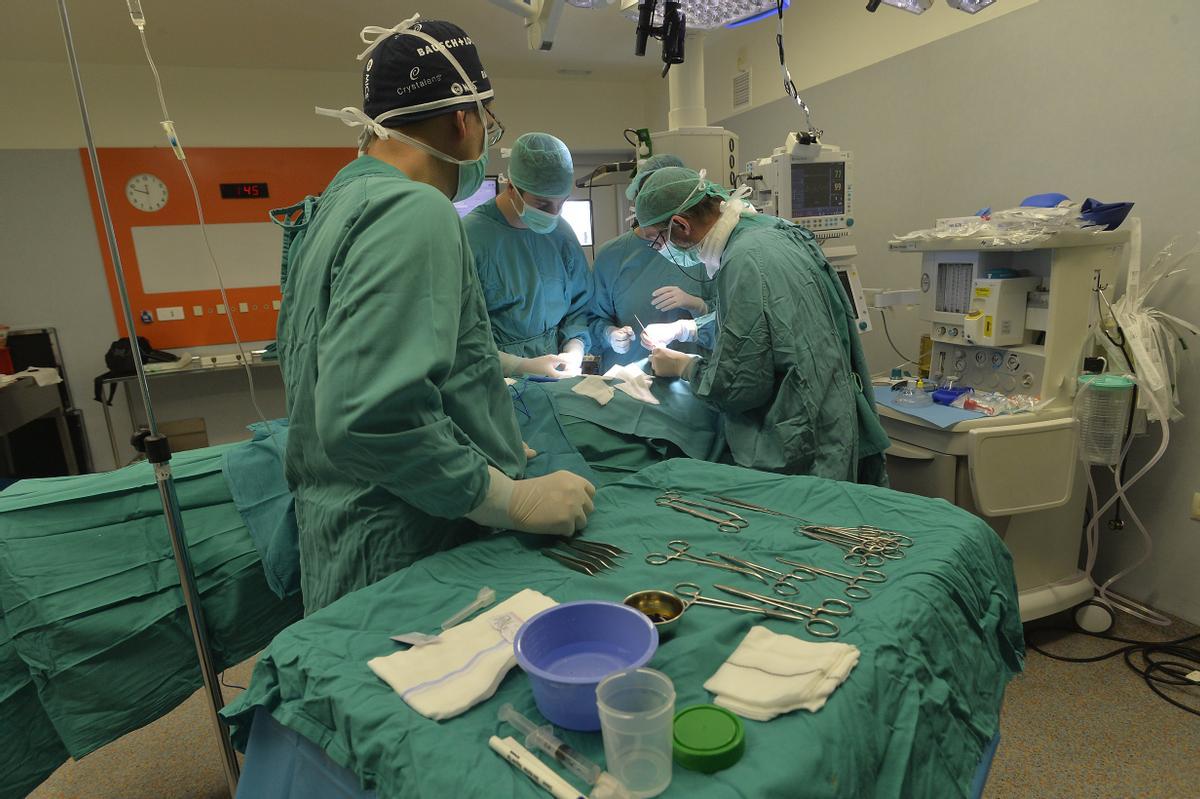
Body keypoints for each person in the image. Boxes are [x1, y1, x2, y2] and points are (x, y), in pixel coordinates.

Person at [275, 17, 595, 612]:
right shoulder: (413, 211)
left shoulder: (340, 201)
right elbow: (369, 415)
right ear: (463, 118)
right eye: (488, 119)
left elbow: (356, 370)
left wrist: (480, 434)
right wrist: (504, 497)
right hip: (407, 543)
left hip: (358, 529)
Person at [633, 166, 890, 485]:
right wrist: (688, 329)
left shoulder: (743, 260)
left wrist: (683, 366)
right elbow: (771, 320)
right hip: (833, 413)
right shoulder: (772, 231)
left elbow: (739, 384)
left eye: (655, 241)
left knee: (809, 524)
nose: (659, 250)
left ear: (680, 226)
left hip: (802, 441)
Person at [464, 132, 593, 372]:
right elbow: (461, 334)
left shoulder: (561, 234)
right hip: (493, 377)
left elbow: (579, 306)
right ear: (511, 187)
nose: (553, 213)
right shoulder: (472, 237)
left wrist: (574, 347)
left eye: (561, 202)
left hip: (558, 373)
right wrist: (519, 366)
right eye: (542, 204)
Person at [587, 154, 713, 372]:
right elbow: (592, 319)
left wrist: (698, 306)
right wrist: (609, 335)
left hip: (693, 382)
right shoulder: (612, 256)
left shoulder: (703, 250)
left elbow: (734, 321)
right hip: (628, 384)